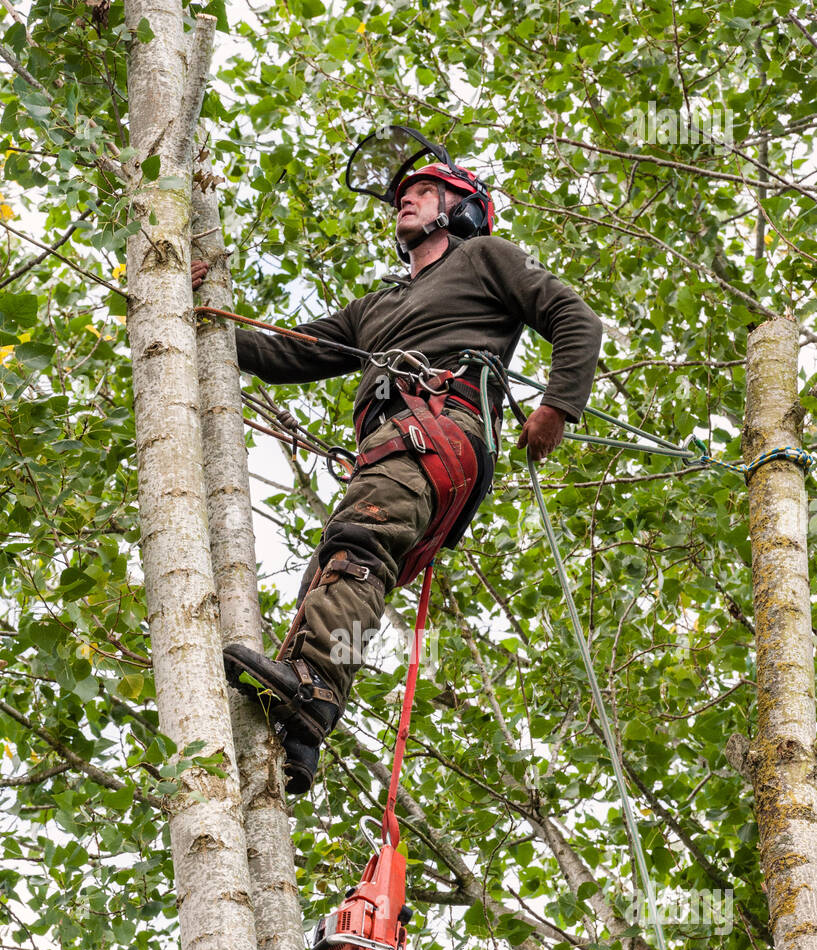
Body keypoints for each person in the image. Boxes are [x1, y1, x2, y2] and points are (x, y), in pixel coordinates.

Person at [191, 159, 603, 795]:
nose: (405, 202)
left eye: (423, 193)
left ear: (458, 209)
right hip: (396, 444)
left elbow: (575, 318)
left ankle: (313, 688)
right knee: (338, 566)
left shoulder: (485, 258)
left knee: (359, 544)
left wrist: (557, 406)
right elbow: (287, 352)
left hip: (438, 428)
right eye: (402, 196)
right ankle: (302, 734)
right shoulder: (378, 305)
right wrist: (198, 314)